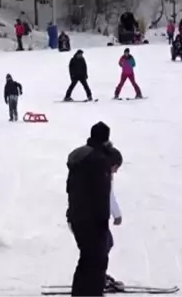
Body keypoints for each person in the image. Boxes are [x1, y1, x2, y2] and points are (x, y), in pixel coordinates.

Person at [65, 122, 118, 297]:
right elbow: (101, 194)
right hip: (92, 220)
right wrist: (103, 221)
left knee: (88, 260)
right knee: (96, 261)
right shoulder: (98, 160)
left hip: (78, 216)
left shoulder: (83, 157)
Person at [104, 148, 125, 292]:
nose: (116, 171)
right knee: (101, 246)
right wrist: (117, 214)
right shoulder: (102, 175)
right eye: (116, 167)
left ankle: (99, 275)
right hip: (90, 219)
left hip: (91, 218)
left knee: (106, 244)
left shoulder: (103, 173)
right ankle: (96, 278)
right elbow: (108, 196)